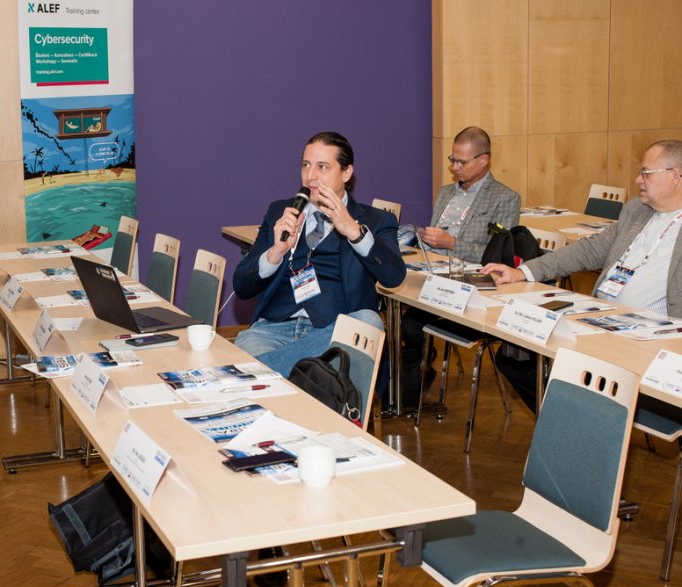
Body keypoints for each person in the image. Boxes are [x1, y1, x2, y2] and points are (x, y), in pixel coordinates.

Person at [482, 139, 682, 413]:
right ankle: (570, 424)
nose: (638, 180)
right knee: (515, 357)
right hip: (602, 321)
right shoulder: (636, 211)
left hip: (650, 340)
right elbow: (589, 250)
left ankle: (581, 424)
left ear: (674, 176)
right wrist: (523, 271)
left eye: (646, 173)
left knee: (580, 383)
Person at [233, 131, 406, 378]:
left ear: (346, 173)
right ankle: (307, 370)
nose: (311, 176)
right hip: (273, 331)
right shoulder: (280, 212)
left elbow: (394, 276)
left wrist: (354, 232)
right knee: (252, 343)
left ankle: (266, 372)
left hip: (334, 332)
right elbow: (241, 286)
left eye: (322, 167)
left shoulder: (376, 220)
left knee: (368, 322)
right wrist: (275, 252)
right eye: (306, 165)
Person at [399, 126, 521, 411]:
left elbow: (497, 257)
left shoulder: (504, 198)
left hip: (471, 283)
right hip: (433, 271)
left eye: (461, 162)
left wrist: (452, 243)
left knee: (410, 324)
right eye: (452, 160)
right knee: (395, 306)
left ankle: (410, 391)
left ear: (484, 160)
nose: (454, 168)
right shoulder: (445, 193)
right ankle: (401, 387)